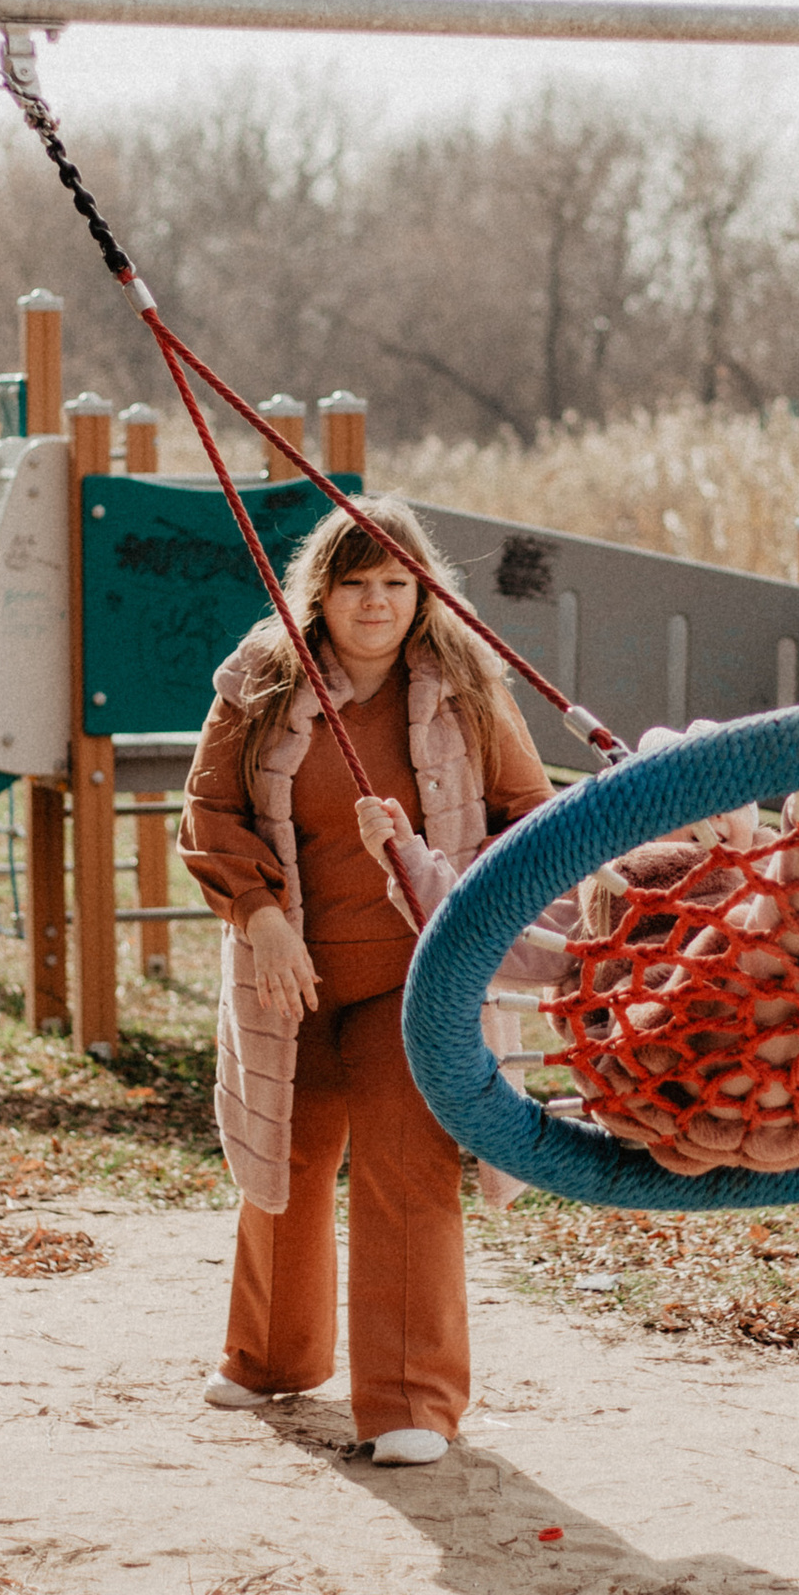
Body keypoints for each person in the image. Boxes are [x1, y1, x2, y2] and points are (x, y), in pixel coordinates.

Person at [177, 498, 552, 1468]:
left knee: (405, 1170)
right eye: (355, 584)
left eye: (396, 583)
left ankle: (408, 1404)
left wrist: (467, 901)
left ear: (425, 592)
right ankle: (269, 1359)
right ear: (320, 590)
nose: (377, 603)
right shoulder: (261, 680)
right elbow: (210, 811)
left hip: (417, 979)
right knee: (284, 1161)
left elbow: (527, 816)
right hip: (289, 969)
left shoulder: (468, 685)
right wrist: (260, 922)